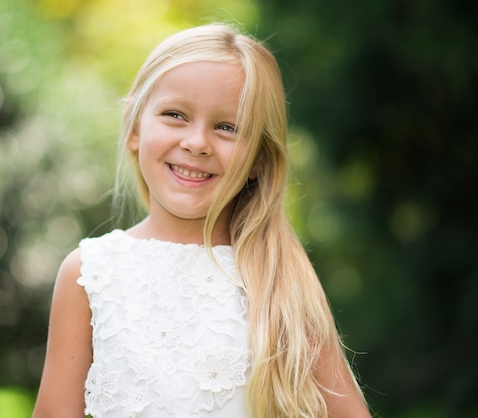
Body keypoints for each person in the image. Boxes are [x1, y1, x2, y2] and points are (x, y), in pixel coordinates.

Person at [32, 23, 371, 418]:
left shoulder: (280, 277)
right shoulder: (89, 274)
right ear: (135, 126)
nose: (196, 143)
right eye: (175, 115)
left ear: (259, 160)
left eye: (227, 127)